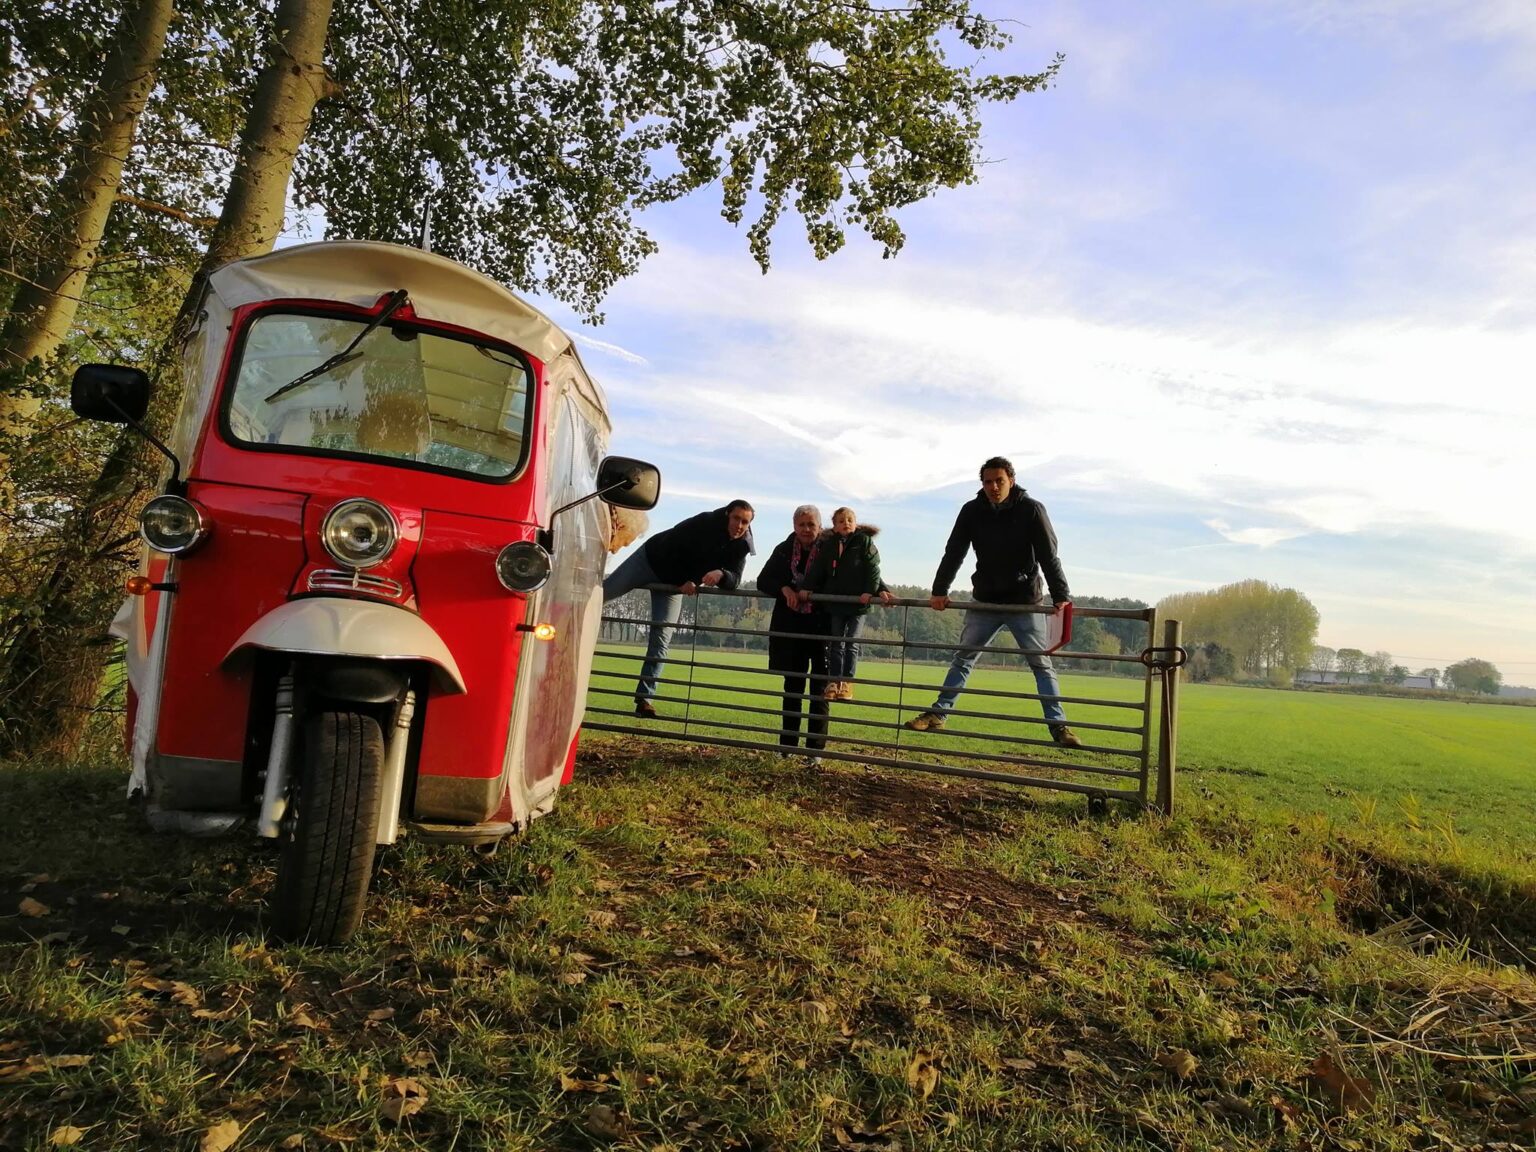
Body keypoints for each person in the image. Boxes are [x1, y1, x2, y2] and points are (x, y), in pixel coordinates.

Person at [904, 457, 1081, 747]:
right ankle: (938, 715)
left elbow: (1049, 555)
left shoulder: (1032, 510)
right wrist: (939, 589)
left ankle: (1060, 728)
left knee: (1041, 664)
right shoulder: (972, 511)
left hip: (1025, 601)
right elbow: (954, 551)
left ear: (1011, 479)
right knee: (963, 658)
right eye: (987, 482)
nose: (993, 487)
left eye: (999, 480)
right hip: (985, 599)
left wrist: (1060, 595)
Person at [603, 500, 755, 717]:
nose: (739, 526)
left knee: (662, 637)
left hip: (677, 587)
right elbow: (672, 544)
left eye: (745, 522)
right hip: (650, 560)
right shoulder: (704, 522)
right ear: (727, 515)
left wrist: (722, 574)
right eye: (736, 519)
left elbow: (736, 579)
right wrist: (683, 580)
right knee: (602, 594)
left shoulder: (743, 544)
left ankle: (644, 699)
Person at [756, 505, 831, 760]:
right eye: (802, 525)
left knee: (820, 691)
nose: (807, 530)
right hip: (791, 627)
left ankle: (815, 752)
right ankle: (787, 748)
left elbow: (857, 574)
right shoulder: (784, 550)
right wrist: (784, 589)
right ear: (794, 527)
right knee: (793, 688)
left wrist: (881, 590)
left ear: (820, 526)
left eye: (811, 524)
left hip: (823, 628)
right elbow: (763, 580)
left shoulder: (833, 548)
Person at [802, 507, 890, 700]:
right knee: (836, 642)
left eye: (850, 520)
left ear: (856, 523)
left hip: (858, 603)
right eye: (841, 521)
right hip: (836, 602)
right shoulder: (829, 545)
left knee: (851, 642)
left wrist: (870, 591)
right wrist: (807, 587)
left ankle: (847, 682)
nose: (846, 523)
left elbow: (873, 569)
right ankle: (834, 681)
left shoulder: (863, 542)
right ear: (834, 526)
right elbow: (818, 569)